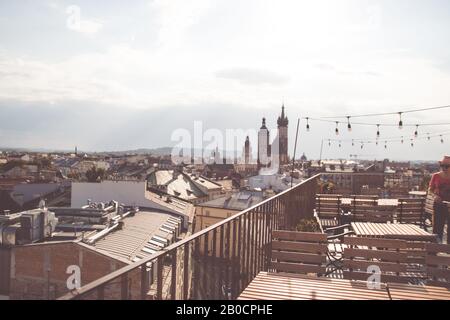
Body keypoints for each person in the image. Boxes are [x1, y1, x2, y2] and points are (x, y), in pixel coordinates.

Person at [429, 155, 450, 243]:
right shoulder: (436, 176)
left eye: (447, 166)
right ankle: (435, 250)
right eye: (442, 165)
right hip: (438, 205)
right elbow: (430, 190)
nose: (444, 168)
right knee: (437, 228)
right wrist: (435, 196)